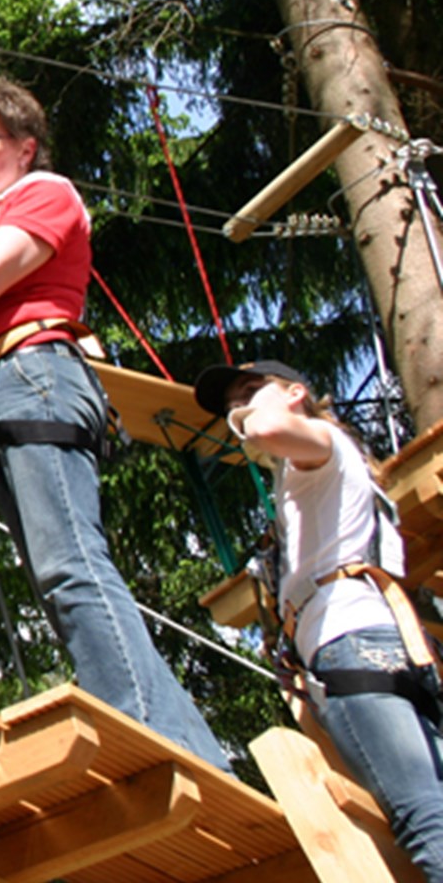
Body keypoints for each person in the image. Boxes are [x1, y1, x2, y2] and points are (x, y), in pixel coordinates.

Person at [0, 75, 229, 770]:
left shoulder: (45, 195)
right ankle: (183, 745)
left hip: (36, 378)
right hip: (9, 394)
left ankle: (151, 737)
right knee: (62, 577)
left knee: (71, 568)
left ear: (26, 147)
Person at [194, 360, 443, 879]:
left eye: (251, 391)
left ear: (295, 393)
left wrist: (246, 420)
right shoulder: (324, 467)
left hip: (349, 640)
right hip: (385, 641)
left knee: (424, 817)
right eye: (233, 403)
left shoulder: (321, 444)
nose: (239, 407)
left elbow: (267, 428)